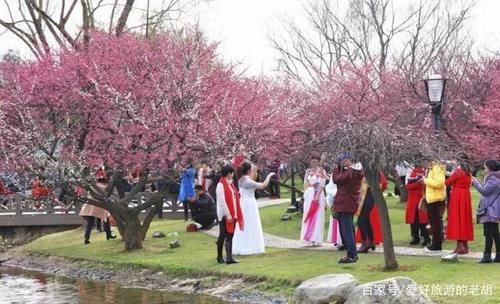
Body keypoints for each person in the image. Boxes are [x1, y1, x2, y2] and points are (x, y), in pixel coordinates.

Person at [232, 162, 275, 255]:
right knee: (251, 223)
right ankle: (250, 246)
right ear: (248, 170)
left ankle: (245, 244)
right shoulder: (247, 181)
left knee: (246, 224)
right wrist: (269, 176)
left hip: (243, 202)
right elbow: (262, 185)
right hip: (249, 203)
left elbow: (252, 180)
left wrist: (255, 172)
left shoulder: (242, 179)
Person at [332, 152, 364, 263]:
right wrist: (340, 169)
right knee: (346, 229)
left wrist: (348, 169)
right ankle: (352, 253)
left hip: (348, 203)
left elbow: (341, 179)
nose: (344, 162)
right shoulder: (345, 170)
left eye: (346, 160)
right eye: (342, 160)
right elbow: (335, 179)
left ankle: (352, 255)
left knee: (347, 230)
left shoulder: (355, 172)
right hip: (342, 202)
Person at [472, 160, 500, 263]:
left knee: (489, 233)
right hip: (494, 208)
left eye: (485, 167)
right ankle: (498, 255)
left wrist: (475, 182)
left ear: (490, 167)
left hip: (490, 208)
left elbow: (485, 191)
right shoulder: (496, 177)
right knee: (495, 233)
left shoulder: (492, 178)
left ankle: (487, 256)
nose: (484, 169)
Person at [79, 170, 116, 244]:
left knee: (90, 222)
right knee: (106, 219)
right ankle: (108, 234)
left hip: (89, 205)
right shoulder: (104, 187)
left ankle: (86, 238)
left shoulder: (93, 186)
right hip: (98, 205)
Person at [215, 165, 243, 264]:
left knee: (230, 234)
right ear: (228, 173)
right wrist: (228, 214)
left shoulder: (230, 184)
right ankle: (219, 256)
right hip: (224, 214)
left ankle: (229, 257)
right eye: (232, 173)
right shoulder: (221, 185)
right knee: (223, 234)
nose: (233, 175)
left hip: (233, 212)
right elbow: (222, 202)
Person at [445, 162, 474, 254]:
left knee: (457, 219)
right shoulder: (468, 173)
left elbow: (447, 182)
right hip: (465, 196)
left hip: (457, 196)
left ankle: (460, 245)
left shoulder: (458, 172)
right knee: (464, 220)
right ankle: (465, 245)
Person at [356, 171, 388, 253]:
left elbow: (383, 183)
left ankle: (365, 243)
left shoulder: (373, 171)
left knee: (361, 221)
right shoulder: (373, 171)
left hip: (368, 198)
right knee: (366, 221)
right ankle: (370, 241)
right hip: (370, 197)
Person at [300, 154, 327, 247]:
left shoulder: (322, 171)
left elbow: (322, 184)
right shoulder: (308, 171)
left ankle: (316, 238)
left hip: (318, 194)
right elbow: (305, 183)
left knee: (317, 215)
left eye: (316, 160)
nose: (314, 161)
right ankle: (308, 237)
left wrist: (317, 196)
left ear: (319, 161)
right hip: (309, 193)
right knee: (308, 214)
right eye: (312, 160)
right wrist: (306, 193)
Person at [422, 160, 447, 252]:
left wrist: (425, 180)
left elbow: (439, 183)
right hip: (431, 197)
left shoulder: (436, 167)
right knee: (434, 222)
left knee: (435, 223)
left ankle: (436, 244)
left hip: (436, 198)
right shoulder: (431, 168)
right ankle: (435, 243)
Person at [405, 163, 430, 247]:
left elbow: (426, 183)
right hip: (412, 198)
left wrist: (416, 184)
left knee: (423, 219)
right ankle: (415, 237)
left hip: (421, 197)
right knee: (413, 219)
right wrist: (417, 184)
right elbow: (407, 185)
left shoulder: (425, 170)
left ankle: (426, 238)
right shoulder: (410, 170)